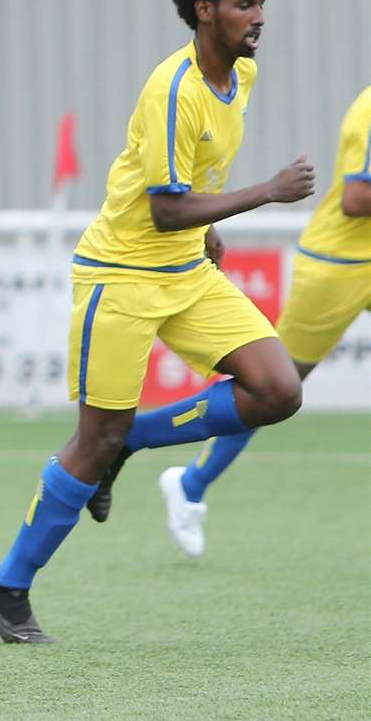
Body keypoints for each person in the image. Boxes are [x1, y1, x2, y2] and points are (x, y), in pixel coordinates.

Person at [0, 0, 316, 643]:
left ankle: (132, 446)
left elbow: (187, 184)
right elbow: (163, 208)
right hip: (122, 276)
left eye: (261, 3)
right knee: (91, 438)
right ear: (204, 10)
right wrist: (267, 194)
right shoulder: (173, 87)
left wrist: (210, 228)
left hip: (185, 268)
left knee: (277, 390)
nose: (258, 15)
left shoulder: (240, 74)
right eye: (244, 3)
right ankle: (7, 587)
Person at [155, 84, 370, 555]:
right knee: (276, 388)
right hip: (339, 268)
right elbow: (357, 199)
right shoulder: (370, 109)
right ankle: (190, 483)